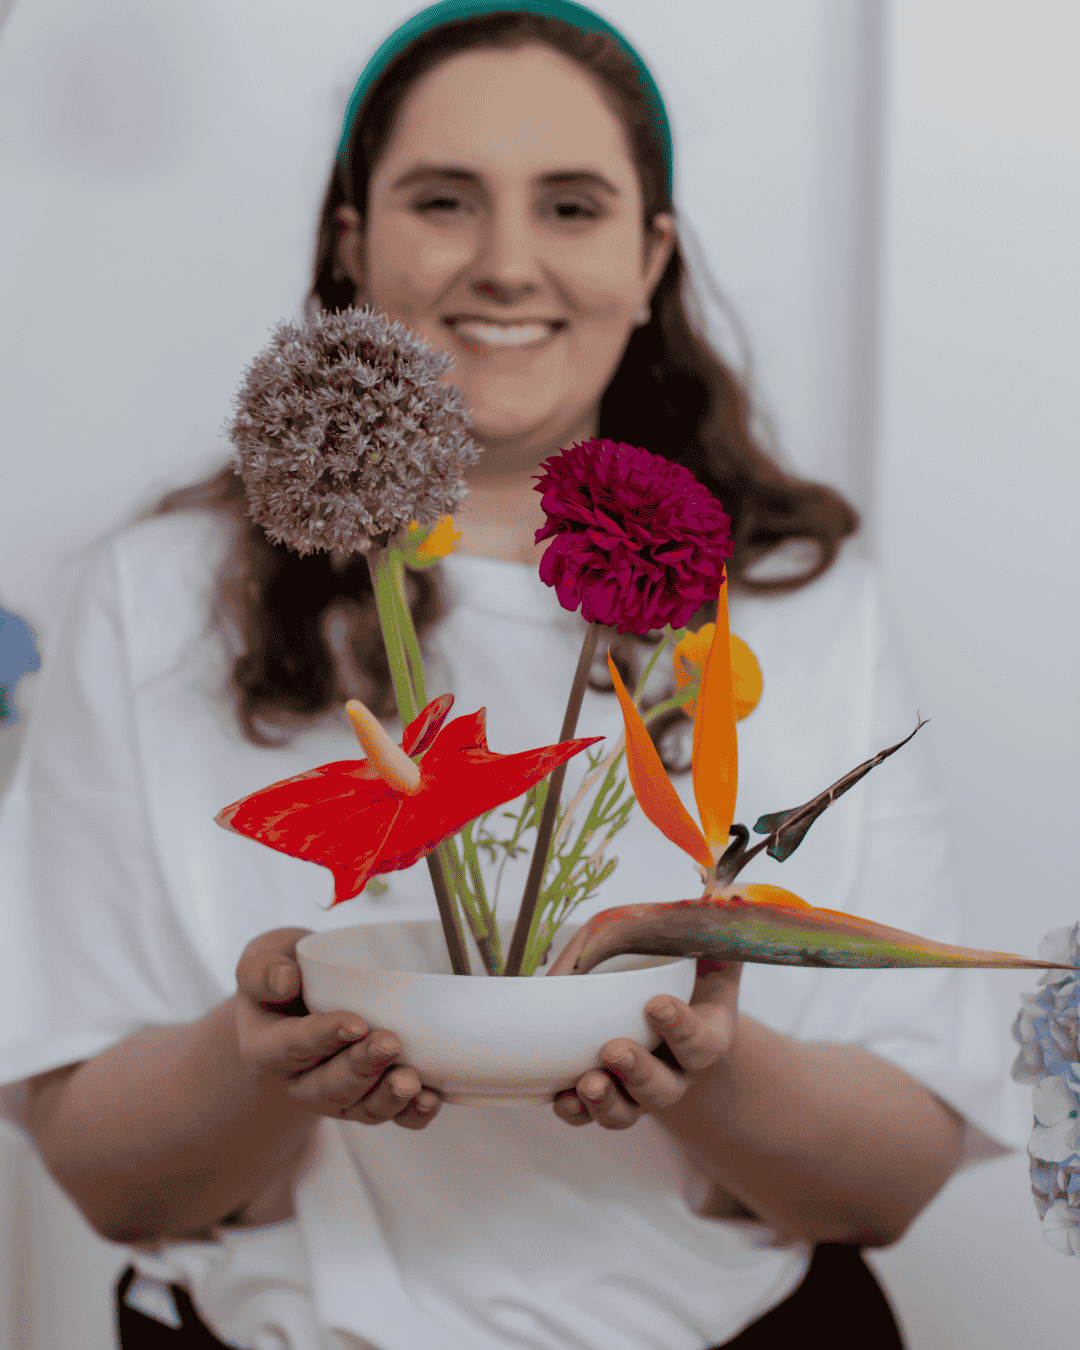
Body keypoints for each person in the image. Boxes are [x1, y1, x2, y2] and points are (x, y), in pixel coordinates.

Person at [0, 3, 1021, 1348]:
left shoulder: (800, 599)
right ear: (355, 242)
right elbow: (103, 1171)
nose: (505, 262)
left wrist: (707, 1066)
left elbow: (887, 1182)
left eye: (573, 205)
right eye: (443, 199)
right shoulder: (158, 599)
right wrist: (261, 1058)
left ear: (650, 257)